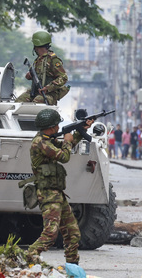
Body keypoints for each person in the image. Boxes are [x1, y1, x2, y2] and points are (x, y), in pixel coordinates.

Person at [27, 108, 93, 263]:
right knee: (50, 233)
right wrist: (68, 141)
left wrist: (80, 130)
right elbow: (63, 156)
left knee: (73, 233)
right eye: (56, 125)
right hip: (48, 195)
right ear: (50, 127)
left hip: (57, 194)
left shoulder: (48, 140)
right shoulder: (41, 143)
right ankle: (28, 257)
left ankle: (72, 265)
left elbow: (66, 144)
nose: (58, 128)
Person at [16, 30, 69, 105]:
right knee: (19, 102)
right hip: (36, 91)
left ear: (36, 46)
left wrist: (47, 88)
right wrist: (31, 75)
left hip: (49, 94)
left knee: (37, 104)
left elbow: (64, 77)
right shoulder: (39, 60)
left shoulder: (52, 59)